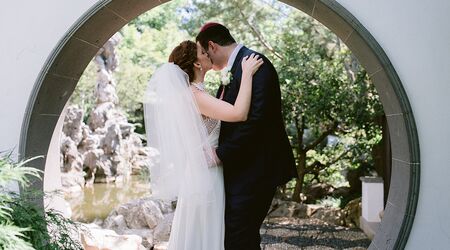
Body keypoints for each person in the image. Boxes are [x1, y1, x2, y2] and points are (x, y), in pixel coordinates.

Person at [144, 40, 263, 250]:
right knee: (203, 232)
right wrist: (246, 74)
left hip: (204, 170)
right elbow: (238, 113)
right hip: (206, 173)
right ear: (197, 64)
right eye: (202, 52)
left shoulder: (195, 93)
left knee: (200, 230)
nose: (207, 53)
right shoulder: (194, 95)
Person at [196, 23, 298, 249]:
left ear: (212, 46)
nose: (204, 58)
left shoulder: (255, 64)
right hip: (242, 168)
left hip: (256, 170)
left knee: (239, 234)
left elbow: (257, 120)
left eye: (204, 52)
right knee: (239, 234)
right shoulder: (238, 68)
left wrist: (220, 154)